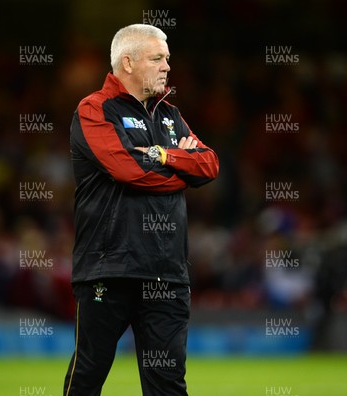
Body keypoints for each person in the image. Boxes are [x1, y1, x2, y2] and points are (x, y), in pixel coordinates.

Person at [63, 24, 219, 396]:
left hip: (167, 272)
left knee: (167, 383)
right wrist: (183, 169)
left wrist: (164, 155)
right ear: (128, 62)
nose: (168, 66)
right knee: (89, 373)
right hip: (109, 266)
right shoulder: (94, 108)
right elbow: (127, 171)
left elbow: (210, 165)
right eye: (158, 58)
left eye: (167, 58)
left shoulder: (170, 114)